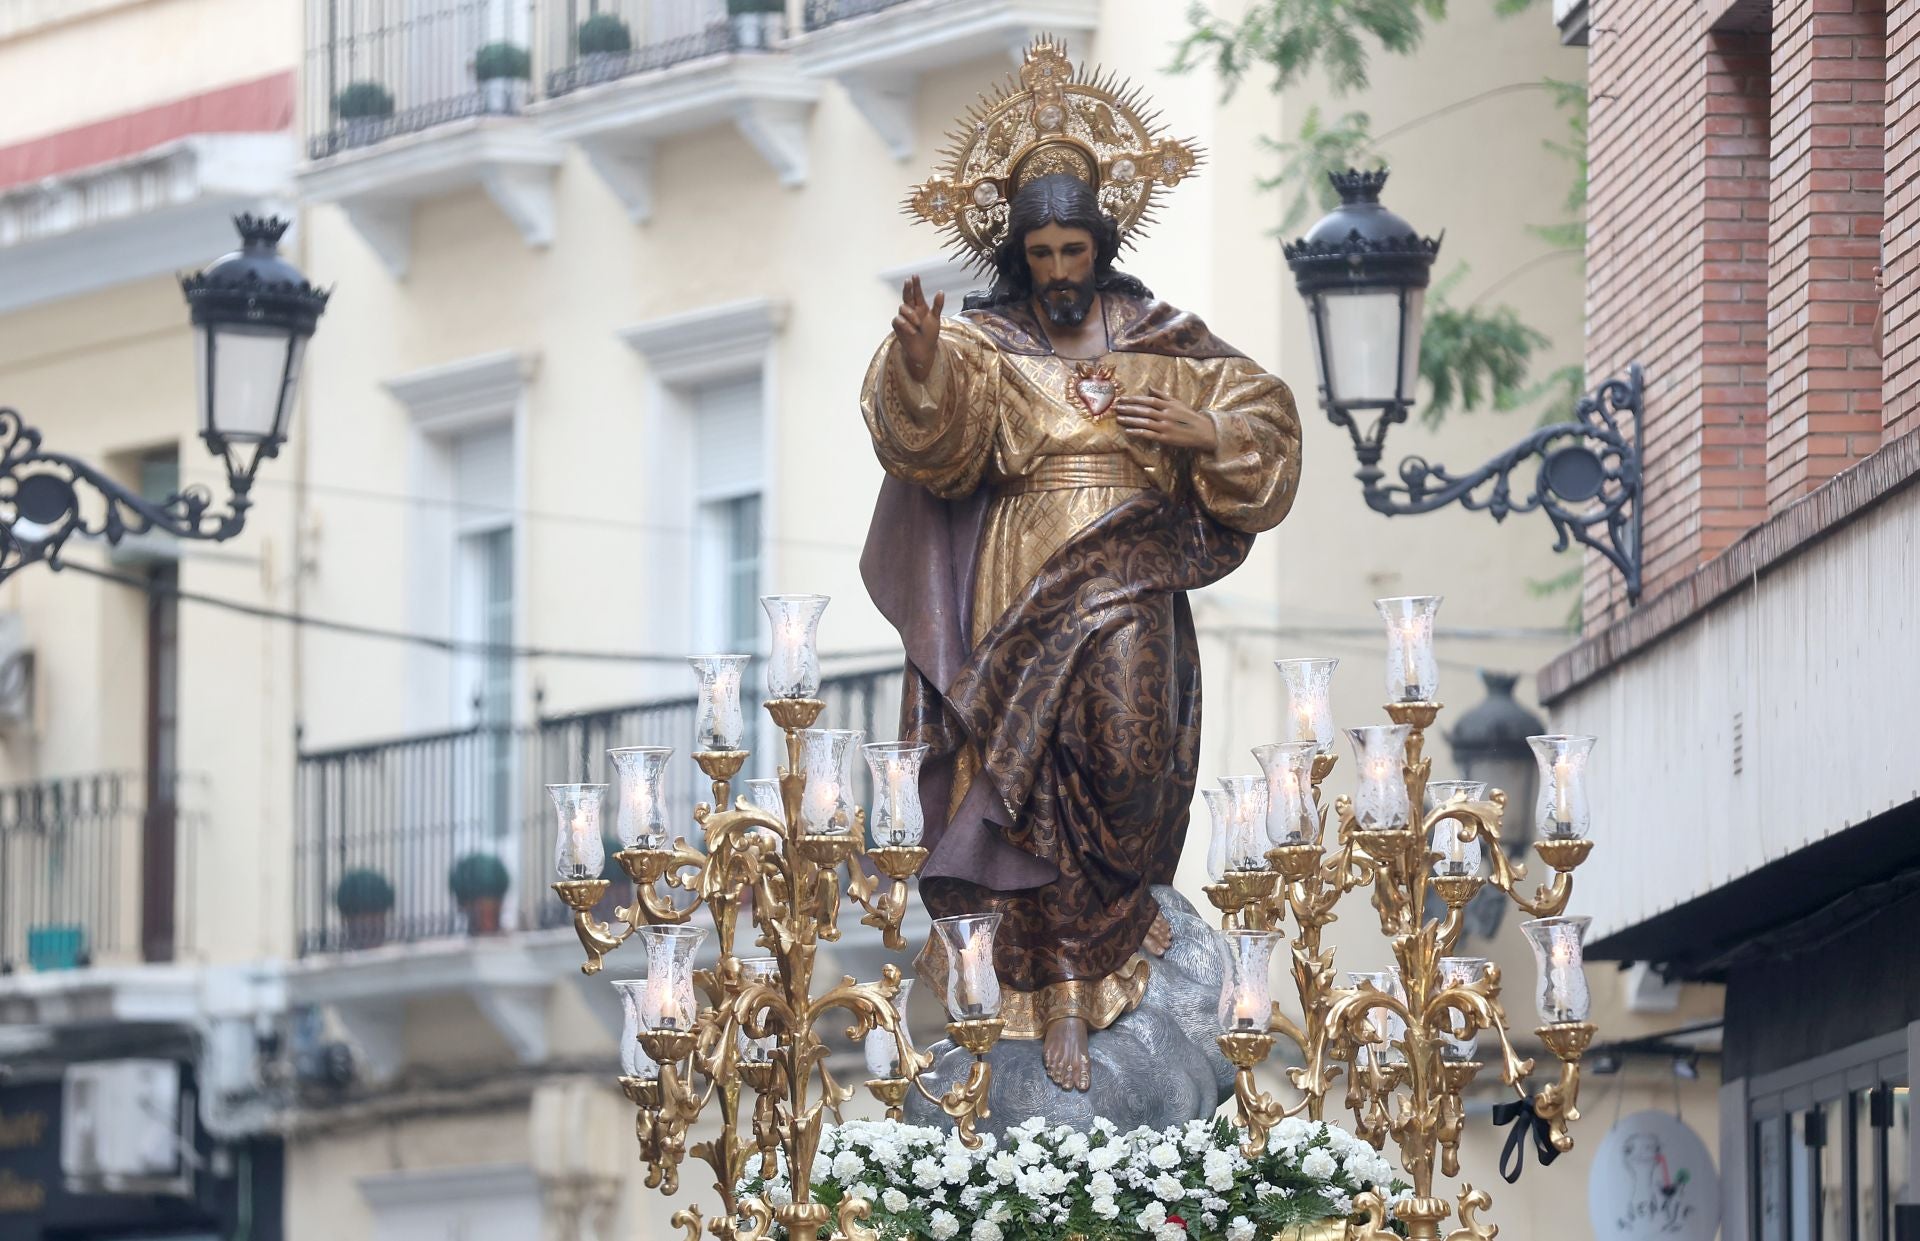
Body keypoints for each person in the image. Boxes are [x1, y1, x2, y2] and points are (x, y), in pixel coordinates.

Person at [859, 42, 1302, 1093]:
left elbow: (1267, 421)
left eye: (1074, 250)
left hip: (1134, 572)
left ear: (1101, 244)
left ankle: (1125, 917)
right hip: (1018, 575)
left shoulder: (1160, 334)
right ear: (1021, 254)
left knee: (1128, 759)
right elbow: (930, 436)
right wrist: (919, 361)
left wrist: (1198, 428)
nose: (1059, 272)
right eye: (1042, 253)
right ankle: (1057, 976)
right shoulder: (990, 344)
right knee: (1030, 778)